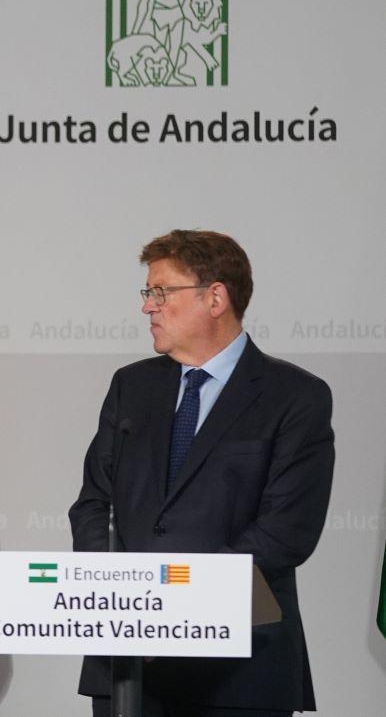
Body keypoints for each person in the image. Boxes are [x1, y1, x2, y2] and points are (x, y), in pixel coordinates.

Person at [69, 230, 334, 717]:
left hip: (238, 671)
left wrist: (176, 609)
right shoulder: (132, 386)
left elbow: (286, 533)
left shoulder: (295, 397)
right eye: (148, 293)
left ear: (215, 297)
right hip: (128, 664)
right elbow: (93, 505)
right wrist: (123, 603)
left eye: (161, 292)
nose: (148, 307)